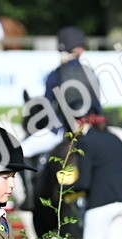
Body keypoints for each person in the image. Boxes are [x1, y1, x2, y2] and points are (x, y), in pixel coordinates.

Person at [21, 26, 103, 159]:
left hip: (62, 130)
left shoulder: (55, 74)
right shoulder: (90, 72)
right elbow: (98, 106)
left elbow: (48, 106)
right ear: (80, 49)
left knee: (22, 150)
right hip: (91, 128)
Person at [69, 119, 122, 239]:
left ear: (79, 122)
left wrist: (65, 188)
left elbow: (84, 183)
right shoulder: (115, 138)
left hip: (101, 203)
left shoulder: (85, 141)